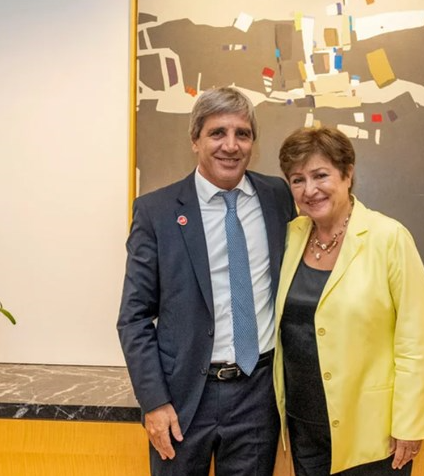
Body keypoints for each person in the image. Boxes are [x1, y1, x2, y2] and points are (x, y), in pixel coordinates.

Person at [118, 87, 295, 476]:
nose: (231, 146)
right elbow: (134, 317)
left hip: (257, 395)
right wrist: (154, 401)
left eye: (242, 134)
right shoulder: (156, 212)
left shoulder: (277, 197)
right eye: (217, 133)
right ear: (195, 140)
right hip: (182, 398)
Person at [274, 126, 424, 475]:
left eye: (320, 175)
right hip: (304, 428)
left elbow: (415, 341)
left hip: (371, 431)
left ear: (347, 174)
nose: (309, 190)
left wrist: (409, 423)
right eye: (298, 180)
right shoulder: (290, 237)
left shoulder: (389, 237)